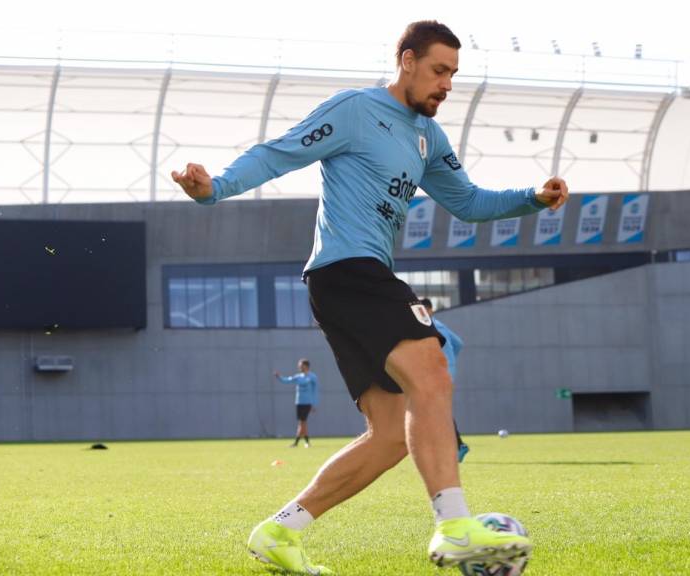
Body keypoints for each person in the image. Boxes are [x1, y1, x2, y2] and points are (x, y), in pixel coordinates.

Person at [172, 20, 569, 574]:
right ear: (407, 61)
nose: (447, 85)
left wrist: (532, 198)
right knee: (432, 370)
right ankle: (454, 526)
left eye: (453, 74)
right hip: (348, 271)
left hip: (350, 282)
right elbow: (280, 153)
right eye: (439, 71)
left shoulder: (429, 137)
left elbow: (468, 202)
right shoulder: (356, 109)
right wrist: (214, 189)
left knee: (390, 435)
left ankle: (281, 530)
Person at [420, 297, 469, 463]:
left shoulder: (426, 326)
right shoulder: (439, 324)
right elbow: (459, 343)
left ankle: (456, 446)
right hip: (446, 371)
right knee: (438, 409)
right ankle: (455, 446)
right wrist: (451, 361)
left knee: (435, 409)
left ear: (430, 310)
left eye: (423, 309)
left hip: (438, 372)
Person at [274, 359, 320, 448]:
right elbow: (287, 380)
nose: (299, 367)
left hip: (307, 403)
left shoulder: (312, 377)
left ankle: (298, 443)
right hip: (299, 402)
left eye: (301, 365)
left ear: (306, 366)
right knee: (302, 423)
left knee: (302, 422)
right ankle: (304, 443)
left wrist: (314, 404)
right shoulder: (298, 376)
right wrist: (279, 377)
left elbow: (315, 391)